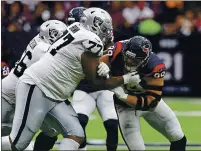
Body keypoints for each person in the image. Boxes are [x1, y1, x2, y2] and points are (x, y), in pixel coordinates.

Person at [2, 8, 140, 150]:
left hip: (55, 93)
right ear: (94, 25)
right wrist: (125, 79)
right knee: (18, 144)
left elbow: (80, 57)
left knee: (76, 134)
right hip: (38, 86)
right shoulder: (91, 41)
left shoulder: (75, 29)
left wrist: (101, 62)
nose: (108, 33)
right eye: (104, 29)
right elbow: (95, 82)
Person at [108, 36, 187, 151]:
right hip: (125, 109)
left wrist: (124, 96)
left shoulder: (155, 66)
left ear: (145, 59)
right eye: (128, 57)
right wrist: (104, 74)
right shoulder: (116, 50)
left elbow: (152, 102)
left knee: (178, 137)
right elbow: (96, 74)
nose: (129, 62)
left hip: (145, 103)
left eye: (135, 60)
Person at [1, 20, 68, 150]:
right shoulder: (43, 50)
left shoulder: (39, 39)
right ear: (52, 35)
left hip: (25, 97)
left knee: (52, 129)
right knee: (12, 137)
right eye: (62, 37)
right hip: (8, 95)